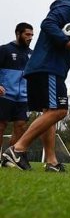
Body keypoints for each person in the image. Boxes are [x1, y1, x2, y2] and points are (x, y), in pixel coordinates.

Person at [2, 0, 70, 172]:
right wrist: (68, 43)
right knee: (60, 110)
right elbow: (47, 24)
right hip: (48, 68)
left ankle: (51, 161)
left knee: (49, 112)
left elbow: (58, 42)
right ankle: (17, 150)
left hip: (45, 67)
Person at [0, 23, 34, 156]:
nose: (30, 37)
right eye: (27, 34)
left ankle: (10, 157)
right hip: (5, 95)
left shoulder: (33, 54)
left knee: (21, 126)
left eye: (32, 35)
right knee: (1, 126)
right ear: (18, 34)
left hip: (24, 97)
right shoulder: (4, 50)